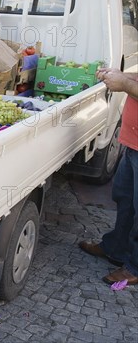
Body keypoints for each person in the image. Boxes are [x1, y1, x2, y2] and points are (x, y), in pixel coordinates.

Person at [79, 67, 138, 285]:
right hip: (133, 141)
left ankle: (135, 267)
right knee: (125, 198)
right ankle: (117, 248)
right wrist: (123, 76)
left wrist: (124, 84)